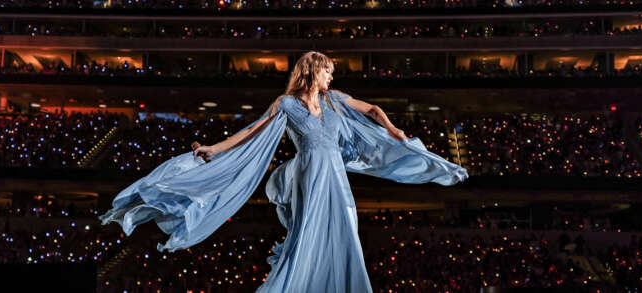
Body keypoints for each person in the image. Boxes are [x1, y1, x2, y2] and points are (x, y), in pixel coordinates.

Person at [99, 51, 468, 292]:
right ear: (312, 71)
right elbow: (250, 132)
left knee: (345, 228)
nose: (331, 78)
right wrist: (213, 148)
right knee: (308, 230)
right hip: (309, 175)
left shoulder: (335, 100)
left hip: (336, 176)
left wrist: (395, 131)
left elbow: (371, 108)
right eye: (327, 72)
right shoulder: (287, 104)